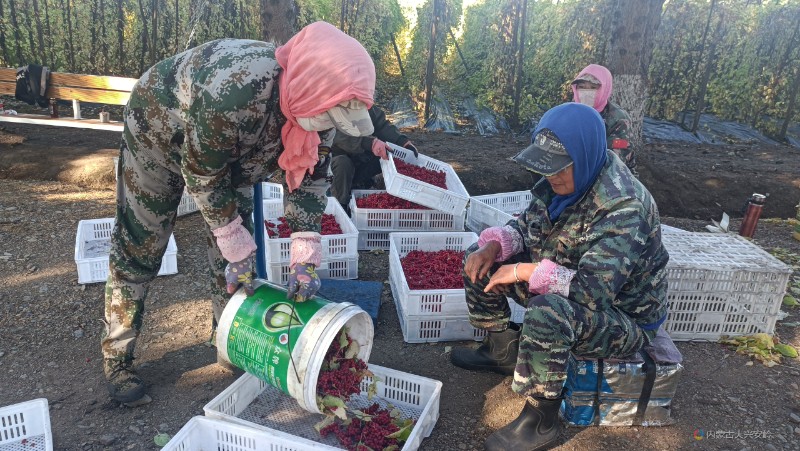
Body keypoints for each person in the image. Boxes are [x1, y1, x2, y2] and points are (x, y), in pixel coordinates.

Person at [101, 21, 376, 405]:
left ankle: (228, 338)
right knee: (141, 246)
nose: (332, 124)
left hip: (235, 155)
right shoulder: (231, 91)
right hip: (158, 134)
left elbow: (311, 181)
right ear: (310, 87)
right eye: (332, 115)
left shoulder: (320, 106)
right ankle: (118, 358)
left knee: (239, 259)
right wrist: (230, 237)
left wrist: (305, 259)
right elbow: (203, 176)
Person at [449, 102, 669, 451]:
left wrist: (522, 270)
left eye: (559, 168)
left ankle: (540, 418)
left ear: (585, 155)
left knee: (547, 312)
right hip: (566, 280)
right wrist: (495, 247)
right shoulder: (560, 183)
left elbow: (592, 292)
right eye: (546, 167)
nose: (552, 176)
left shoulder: (624, 205)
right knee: (477, 259)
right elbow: (526, 226)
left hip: (622, 317)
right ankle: (501, 349)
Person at [329, 105, 418, 212]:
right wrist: (370, 143)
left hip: (359, 158)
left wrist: (402, 141)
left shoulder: (362, 103)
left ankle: (366, 182)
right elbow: (338, 136)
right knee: (342, 163)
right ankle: (341, 207)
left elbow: (381, 126)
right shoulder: (329, 107)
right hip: (332, 163)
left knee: (389, 154)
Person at [571, 63, 638, 176]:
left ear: (605, 89)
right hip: (575, 172)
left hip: (615, 178)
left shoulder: (619, 119)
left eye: (593, 88)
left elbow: (614, 162)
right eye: (581, 87)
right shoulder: (569, 112)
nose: (586, 93)